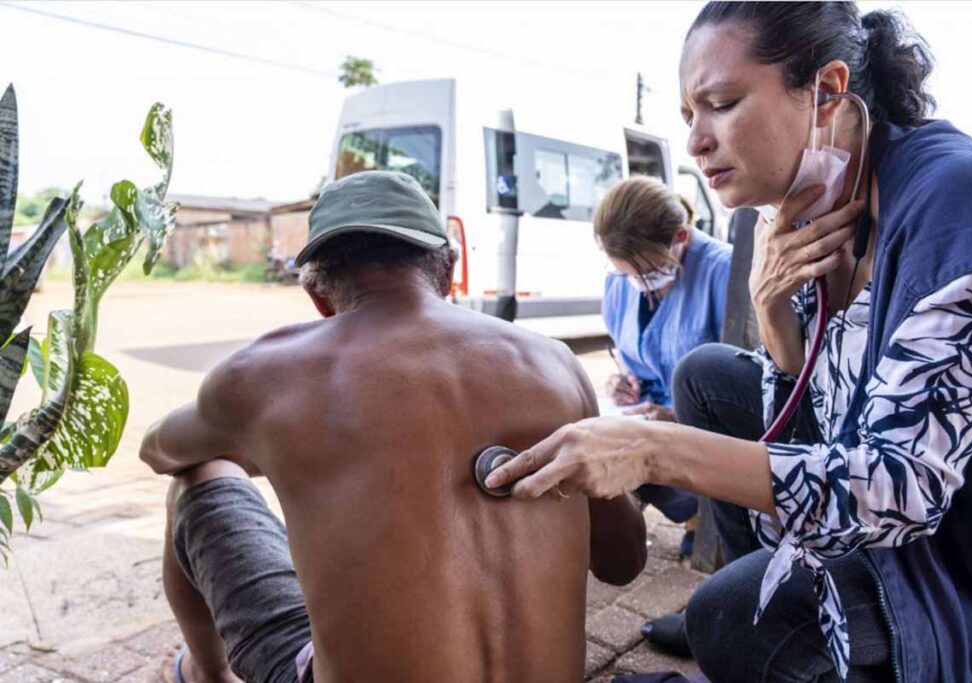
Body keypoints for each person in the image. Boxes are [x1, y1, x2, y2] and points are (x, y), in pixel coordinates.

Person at [485, 3, 972, 682]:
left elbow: (897, 493)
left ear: (826, 91)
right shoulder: (824, 192)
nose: (695, 142)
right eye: (689, 115)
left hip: (962, 559)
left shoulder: (959, 208)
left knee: (732, 616)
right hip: (870, 496)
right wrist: (771, 309)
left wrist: (650, 448)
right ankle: (755, 598)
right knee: (706, 376)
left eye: (721, 104)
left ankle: (756, 621)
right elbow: (819, 418)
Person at [140, 171, 647, 683]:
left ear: (318, 296)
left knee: (198, 476)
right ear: (449, 271)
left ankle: (206, 673)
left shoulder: (264, 373)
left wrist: (264, 443)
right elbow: (623, 561)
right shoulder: (555, 362)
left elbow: (158, 451)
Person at [597, 177, 732, 551]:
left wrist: (678, 416)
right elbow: (631, 355)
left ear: (681, 237)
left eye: (649, 273)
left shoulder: (724, 273)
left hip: (706, 433)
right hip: (644, 420)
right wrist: (623, 381)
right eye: (628, 275)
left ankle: (704, 517)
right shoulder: (620, 282)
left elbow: (746, 385)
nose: (641, 286)